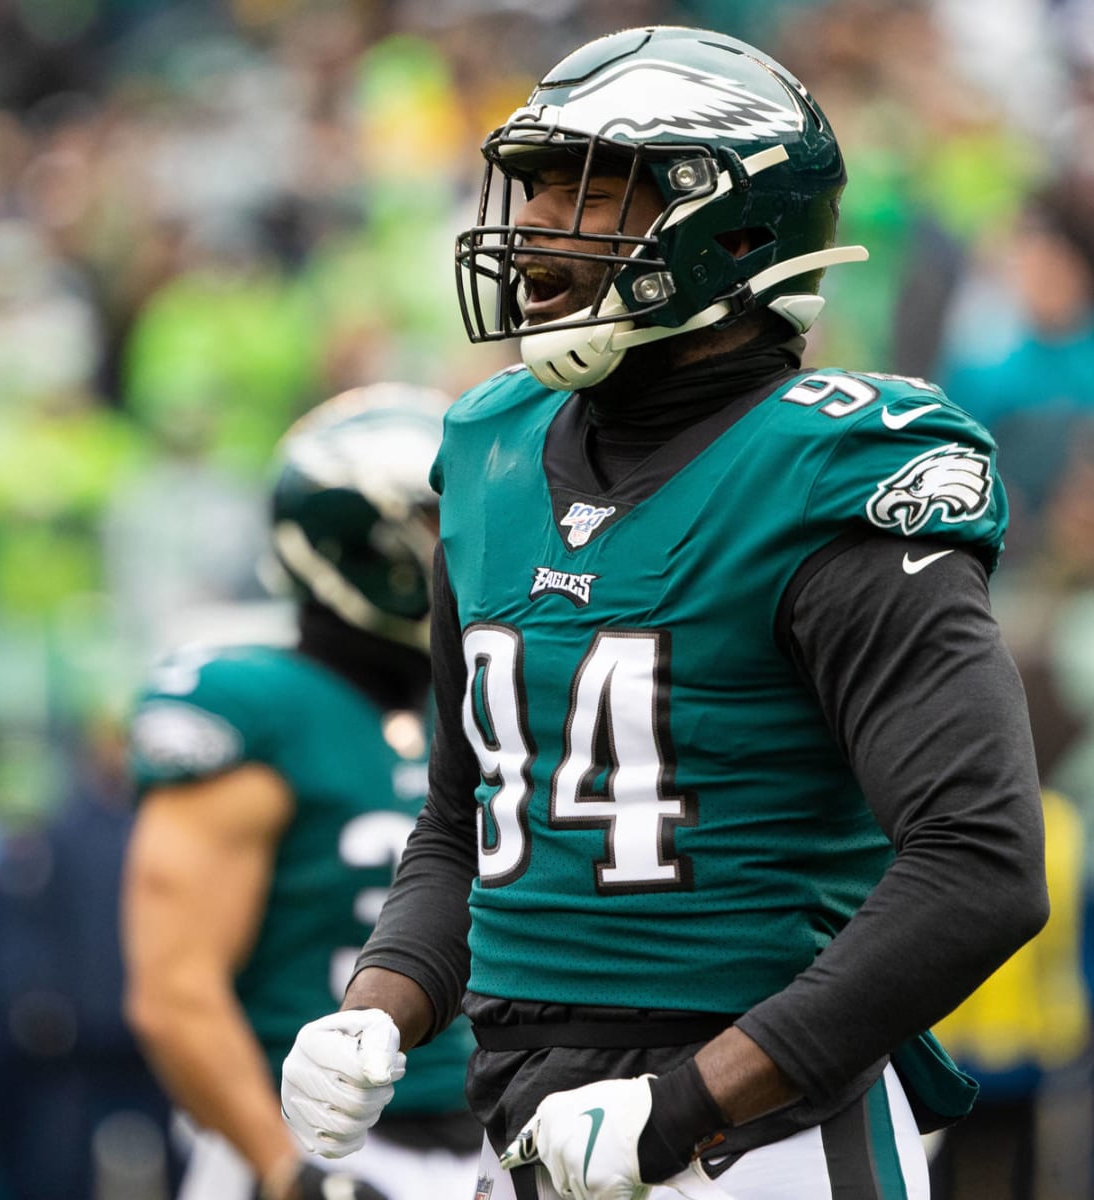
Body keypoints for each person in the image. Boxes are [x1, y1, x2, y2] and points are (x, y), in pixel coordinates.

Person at [277, 26, 1049, 1200]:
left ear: (733, 230)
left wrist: (681, 1105)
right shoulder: (490, 450)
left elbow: (980, 864)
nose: (532, 227)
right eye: (529, 186)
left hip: (763, 1140)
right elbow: (464, 819)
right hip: (530, 1126)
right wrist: (379, 1005)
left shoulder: (833, 469)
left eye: (584, 192)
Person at [120, 384, 482, 1200]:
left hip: (483, 1133)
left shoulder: (475, 696)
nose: (465, 540)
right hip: (305, 1144)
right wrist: (287, 1172)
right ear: (363, 538)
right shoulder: (254, 709)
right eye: (436, 520)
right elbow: (174, 992)